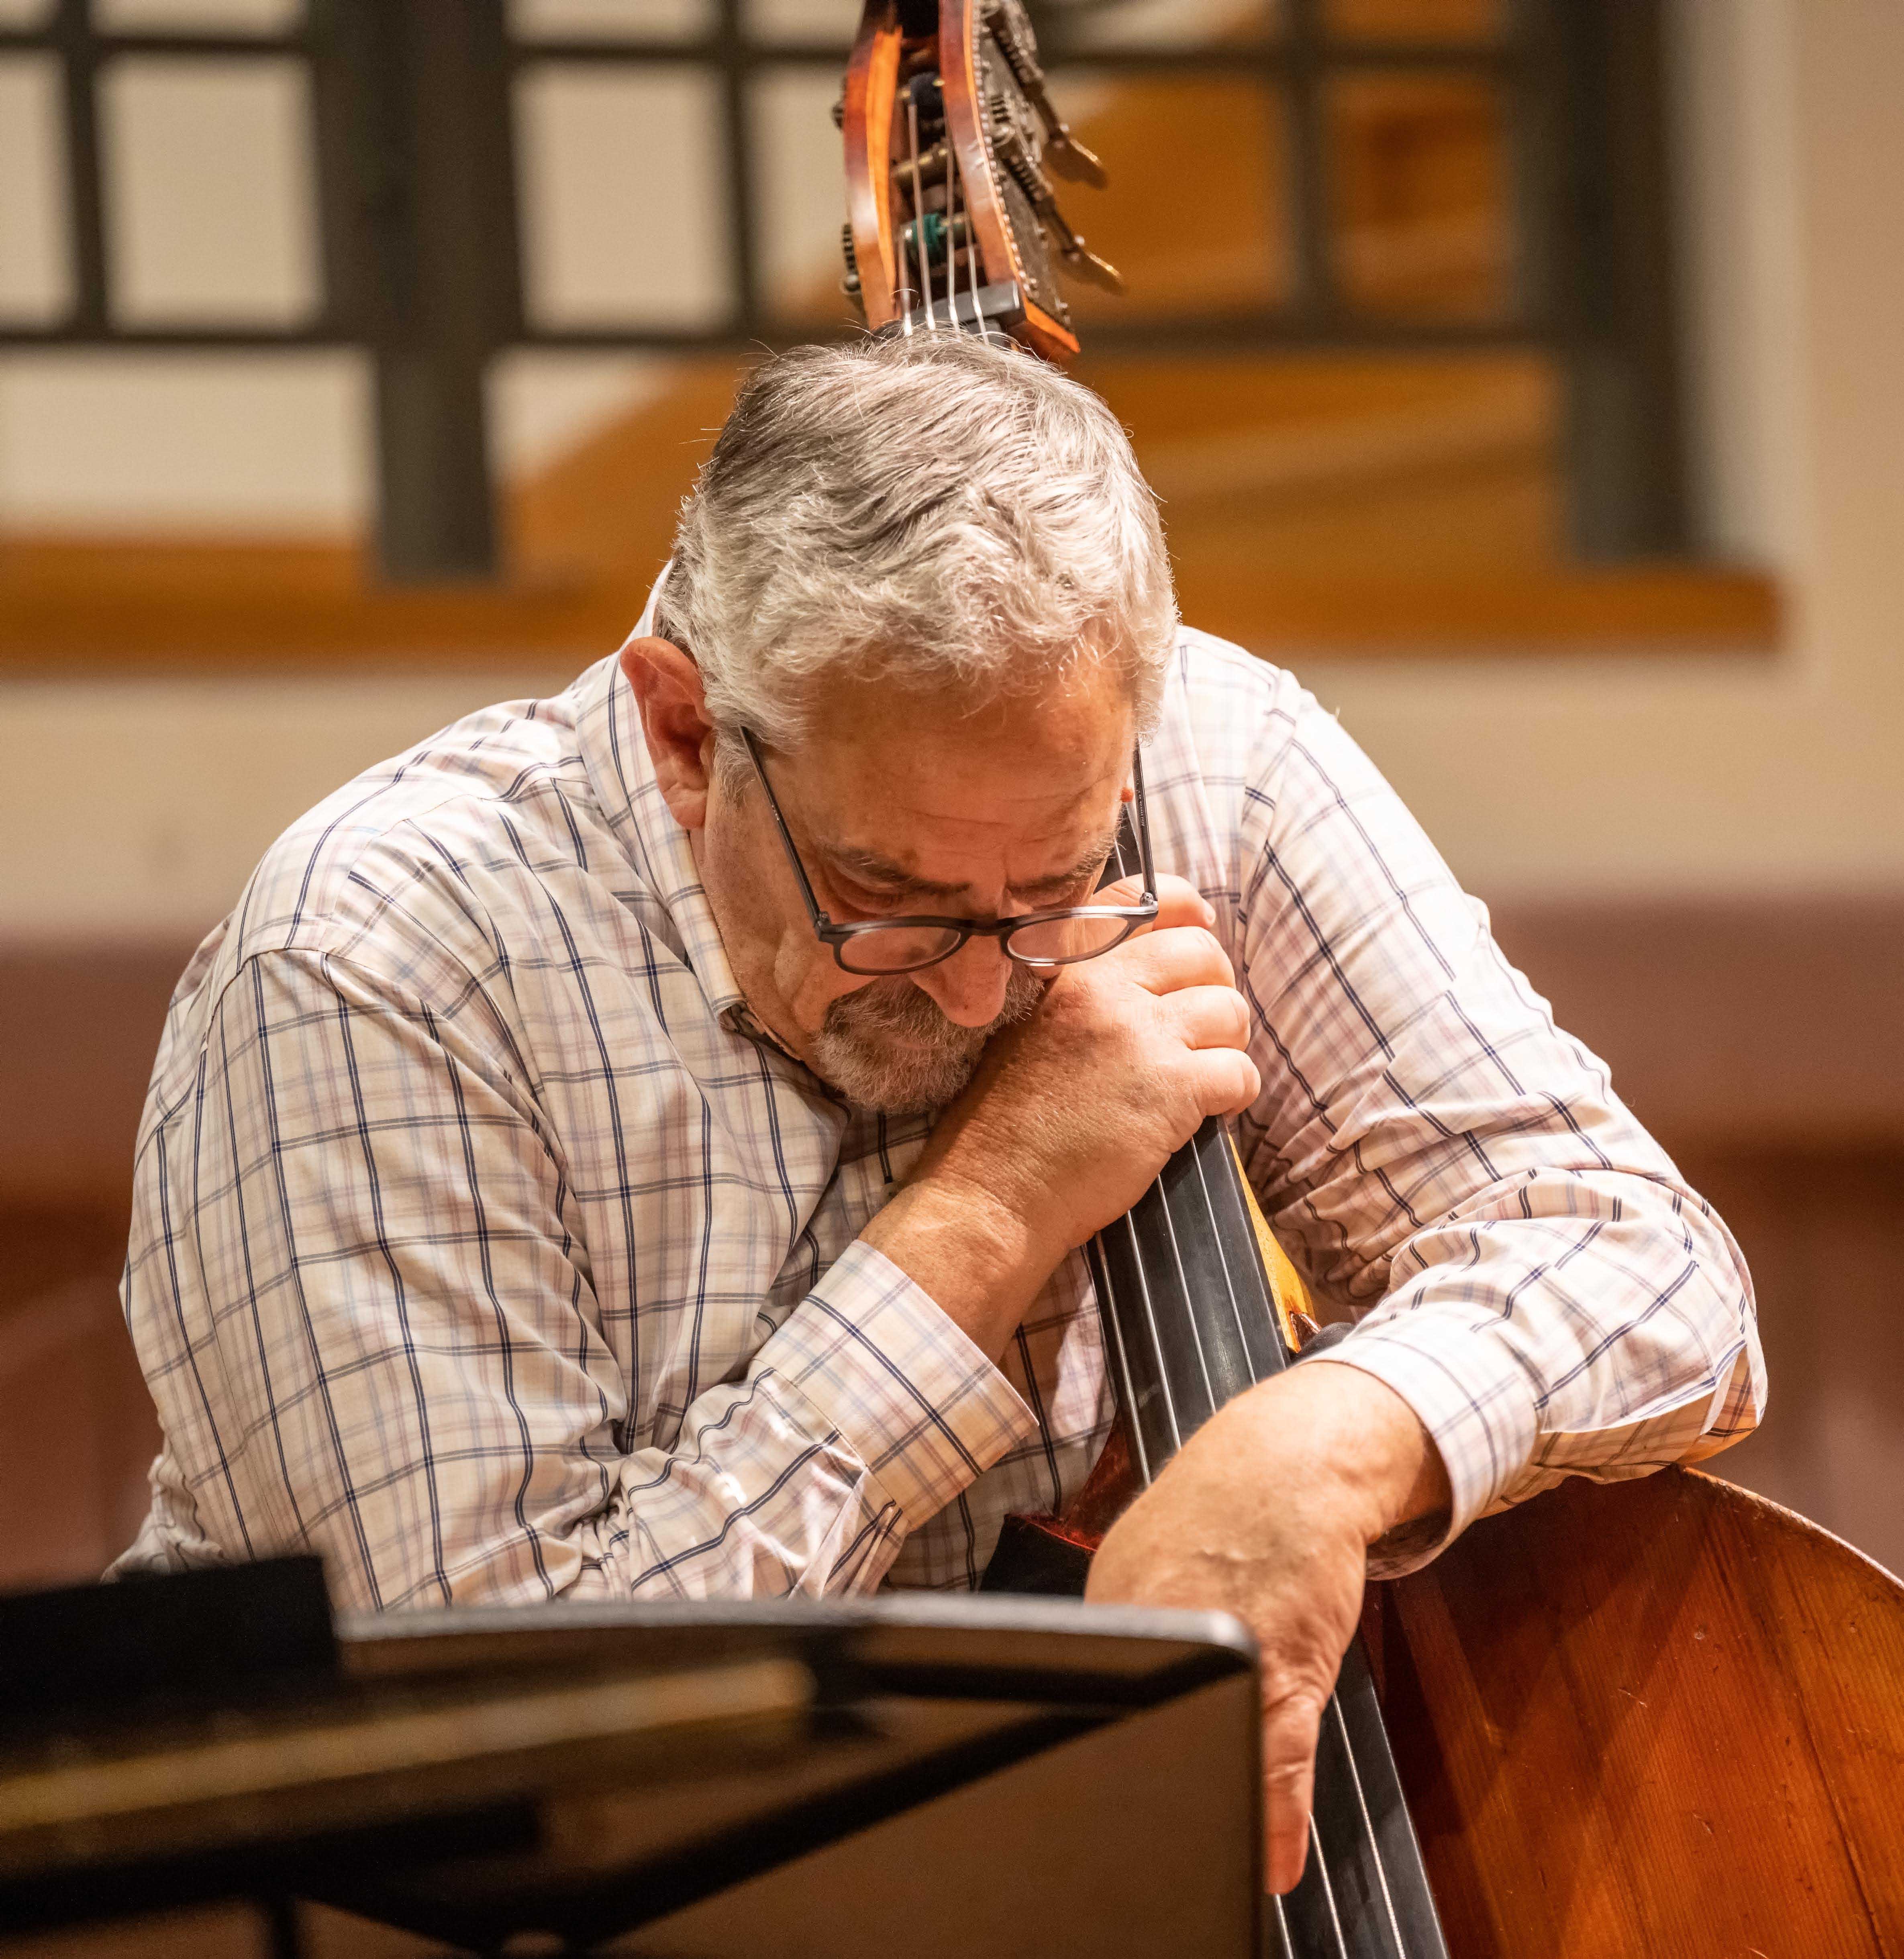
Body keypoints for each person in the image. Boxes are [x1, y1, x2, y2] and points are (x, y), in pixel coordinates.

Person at [113, 333, 1763, 1892]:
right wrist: (983, 1216)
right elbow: (515, 1759)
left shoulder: (1208, 756)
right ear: (684, 732)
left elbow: (1645, 1263)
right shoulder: (371, 961)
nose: (983, 992)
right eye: (888, 898)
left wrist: (1325, 1442)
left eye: (1049, 890)